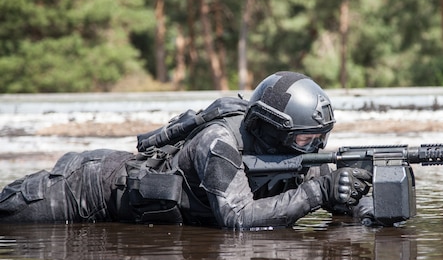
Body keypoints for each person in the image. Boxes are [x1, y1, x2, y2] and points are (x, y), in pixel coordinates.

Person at [0, 71, 373, 228]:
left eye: (320, 138)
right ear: (272, 130)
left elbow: (348, 195)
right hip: (86, 188)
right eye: (307, 140)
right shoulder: (220, 143)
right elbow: (239, 220)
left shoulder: (294, 149)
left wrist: (369, 203)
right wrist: (316, 192)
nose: (316, 149)